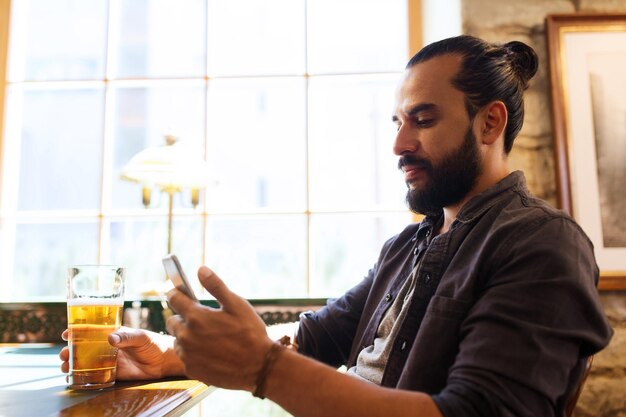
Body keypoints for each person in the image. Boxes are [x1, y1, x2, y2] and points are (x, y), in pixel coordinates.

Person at [60, 35, 613, 417]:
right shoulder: (411, 244)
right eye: (398, 123)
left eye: (423, 120)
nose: (399, 144)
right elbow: (318, 336)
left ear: (489, 121)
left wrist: (264, 369)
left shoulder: (541, 244)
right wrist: (174, 355)